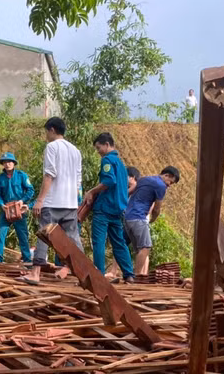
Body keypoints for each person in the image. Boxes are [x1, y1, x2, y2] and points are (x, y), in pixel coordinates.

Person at [19, 117, 83, 285]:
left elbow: (49, 174)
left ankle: (35, 273)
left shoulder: (52, 147)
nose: (46, 135)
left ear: (52, 130)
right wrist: (74, 200)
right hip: (70, 203)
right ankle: (85, 275)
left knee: (44, 235)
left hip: (53, 201)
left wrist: (40, 200)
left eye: (46, 132)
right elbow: (78, 180)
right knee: (73, 238)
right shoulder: (75, 150)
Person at [81, 132, 135, 283]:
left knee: (99, 242)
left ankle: (100, 274)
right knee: (119, 242)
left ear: (106, 144)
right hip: (118, 209)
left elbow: (109, 181)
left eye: (99, 148)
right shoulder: (121, 164)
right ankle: (129, 274)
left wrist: (91, 191)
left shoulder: (107, 160)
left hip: (104, 208)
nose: (98, 151)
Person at [123, 166, 180, 276]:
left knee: (138, 249)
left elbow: (128, 192)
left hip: (128, 217)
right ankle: (137, 276)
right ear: (166, 175)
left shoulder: (144, 179)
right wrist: (152, 219)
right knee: (145, 247)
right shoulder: (160, 185)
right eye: (170, 182)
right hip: (138, 217)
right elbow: (157, 209)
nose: (169, 185)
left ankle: (129, 275)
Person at [0, 152, 34, 265]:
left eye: (9, 162)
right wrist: (1, 204)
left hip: (19, 210)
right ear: (3, 164)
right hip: (6, 210)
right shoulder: (0, 179)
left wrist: (22, 201)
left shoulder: (22, 175)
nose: (7, 164)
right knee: (0, 233)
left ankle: (27, 261)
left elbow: (30, 190)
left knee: (23, 235)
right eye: (5, 162)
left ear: (14, 163)